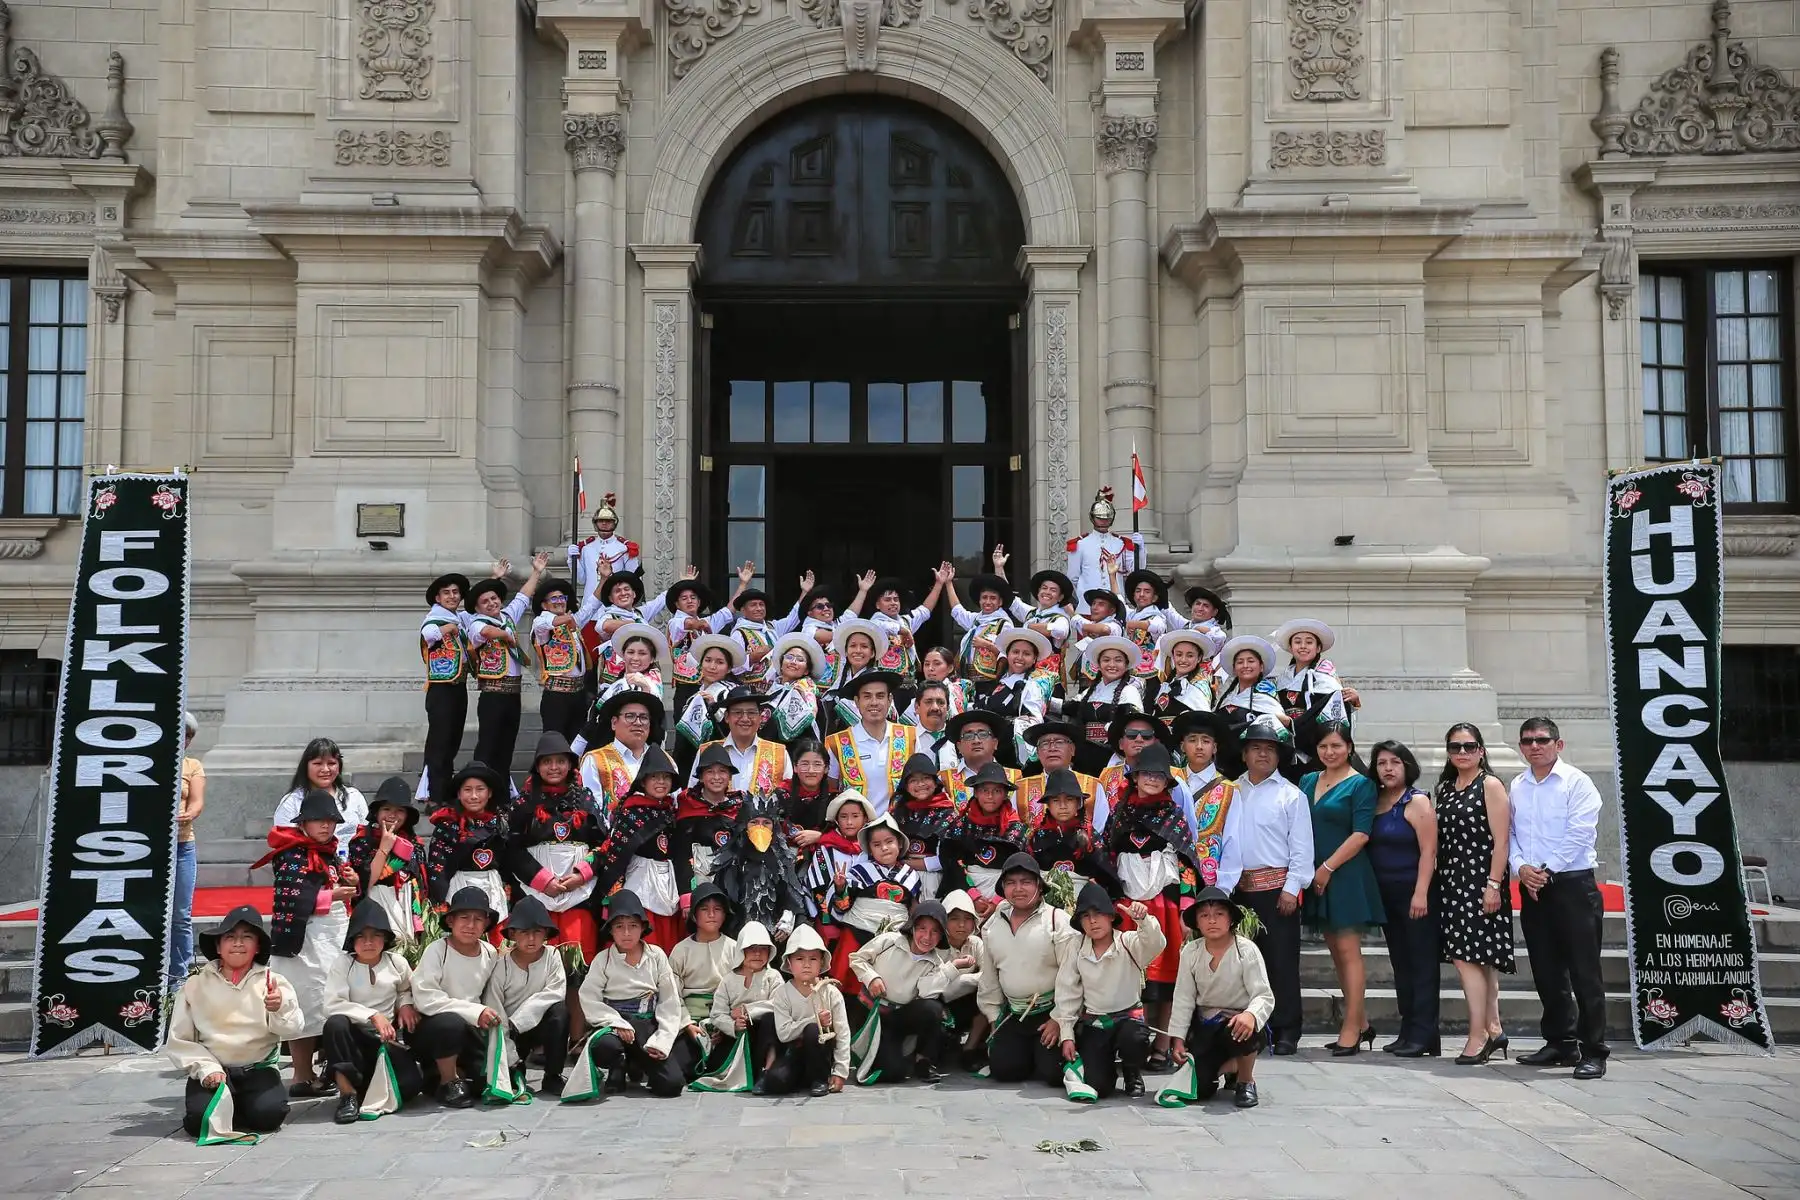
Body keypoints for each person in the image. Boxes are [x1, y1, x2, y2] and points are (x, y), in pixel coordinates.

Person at [1509, 717, 1609, 1079]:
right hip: (1532, 887)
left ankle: (1594, 1050)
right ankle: (1560, 1041)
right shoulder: (1517, 785)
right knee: (1546, 971)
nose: (1535, 746)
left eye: (1542, 740)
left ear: (1558, 744)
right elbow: (1511, 835)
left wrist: (1545, 870)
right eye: (1527, 741)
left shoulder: (1577, 783)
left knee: (1584, 973)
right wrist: (1521, 868)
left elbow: (1580, 834)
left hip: (1572, 885)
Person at [1215, 717, 1312, 1055]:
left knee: (1281, 962)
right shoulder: (1229, 791)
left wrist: (1292, 887)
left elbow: (1301, 847)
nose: (1262, 755)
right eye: (1255, 748)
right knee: (1241, 962)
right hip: (1236, 889)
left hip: (1275, 889)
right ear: (1244, 754)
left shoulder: (1291, 796)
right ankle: (1248, 1026)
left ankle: (1287, 1028)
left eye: (1270, 749)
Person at [167, 908, 305, 1141]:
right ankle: (228, 1104)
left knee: (270, 1116)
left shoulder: (273, 981)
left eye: (247, 937)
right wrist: (207, 1068)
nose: (238, 944)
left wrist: (279, 1007)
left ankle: (239, 1108)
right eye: (230, 937)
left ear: (258, 947)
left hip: (257, 1069)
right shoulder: (195, 985)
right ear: (218, 947)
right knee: (198, 1122)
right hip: (214, 1071)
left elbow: (292, 1029)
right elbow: (179, 1040)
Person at [1100, 742, 1198, 1064]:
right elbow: (1107, 857)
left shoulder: (1173, 815)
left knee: (1165, 980)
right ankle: (1128, 1044)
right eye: (1146, 774)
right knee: (1128, 979)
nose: (1152, 780)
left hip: (1164, 908)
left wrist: (1185, 909)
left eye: (1159, 775)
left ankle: (1161, 1046)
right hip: (1128, 908)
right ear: (1135, 777)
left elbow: (1186, 864)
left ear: (1168, 781)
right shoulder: (1119, 813)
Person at [255, 788, 357, 1096]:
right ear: (303, 824)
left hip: (331, 937)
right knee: (301, 1005)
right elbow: (289, 898)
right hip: (302, 941)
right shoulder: (291, 854)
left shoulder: (328, 853)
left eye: (330, 821)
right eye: (318, 821)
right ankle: (301, 1074)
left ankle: (330, 1070)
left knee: (330, 1003)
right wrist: (332, 894)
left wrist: (349, 881)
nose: (325, 826)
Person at [1300, 720, 1386, 1054]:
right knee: (1335, 951)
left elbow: (1361, 833)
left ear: (1349, 747)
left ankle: (1351, 1028)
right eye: (1323, 746)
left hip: (1346, 874)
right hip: (1316, 874)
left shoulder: (1361, 784)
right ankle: (1362, 1022)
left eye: (1336, 745)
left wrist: (1328, 867)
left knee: (1349, 952)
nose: (1330, 752)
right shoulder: (1308, 780)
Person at [1435, 722, 1514, 1065]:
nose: (1462, 753)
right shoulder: (1445, 788)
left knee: (1468, 960)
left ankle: (1477, 1034)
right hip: (1453, 882)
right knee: (1479, 964)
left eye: (1469, 746)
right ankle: (1494, 1029)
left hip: (1482, 883)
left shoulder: (1491, 785)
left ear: (1481, 750)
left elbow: (1502, 842)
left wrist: (1493, 885)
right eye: (1455, 747)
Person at [571, 890, 694, 1098]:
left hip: (647, 1025)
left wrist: (662, 1039)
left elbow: (669, 1000)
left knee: (672, 1085)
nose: (626, 933)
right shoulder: (603, 959)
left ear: (643, 927)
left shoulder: (656, 956)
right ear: (610, 930)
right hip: (616, 1026)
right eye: (619, 926)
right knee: (604, 1046)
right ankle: (617, 1063)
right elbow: (589, 998)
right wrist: (616, 1022)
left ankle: (637, 1062)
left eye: (633, 926)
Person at [1165, 887, 1273, 1109]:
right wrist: (1177, 1038)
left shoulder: (1246, 950)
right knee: (1200, 1089)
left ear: (1230, 919)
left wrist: (1251, 1015)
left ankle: (1246, 1081)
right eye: (1204, 915)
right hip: (1206, 1025)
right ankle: (1231, 1067)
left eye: (1219, 914)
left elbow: (1263, 994)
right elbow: (1183, 997)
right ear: (1196, 921)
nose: (1211, 921)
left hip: (1237, 1023)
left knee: (1242, 1031)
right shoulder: (1191, 952)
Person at [1054, 884, 1163, 1100]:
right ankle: (1107, 1067)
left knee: (1136, 1039)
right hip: (1096, 1022)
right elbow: (1067, 992)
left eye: (1098, 914)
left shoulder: (1128, 941)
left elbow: (1156, 943)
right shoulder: (1076, 947)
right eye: (1086, 916)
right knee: (1099, 1086)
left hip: (1128, 1019)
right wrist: (1066, 1035)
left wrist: (1144, 920)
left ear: (1111, 916)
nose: (1092, 921)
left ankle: (1132, 1070)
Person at [1367, 739, 1440, 1056]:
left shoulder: (1418, 802)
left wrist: (1421, 893)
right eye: (1382, 763)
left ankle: (1424, 1033)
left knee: (1422, 964)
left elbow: (1429, 852)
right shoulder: (1377, 800)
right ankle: (1408, 1029)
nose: (1388, 769)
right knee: (1401, 964)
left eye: (1395, 762)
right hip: (1386, 895)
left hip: (1416, 893)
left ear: (1407, 766)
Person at [507, 731, 608, 959]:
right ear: (537, 766)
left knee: (579, 957)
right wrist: (544, 880)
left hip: (580, 892)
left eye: (561, 761)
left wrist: (581, 875)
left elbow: (603, 845)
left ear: (570, 765)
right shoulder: (523, 803)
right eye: (547, 762)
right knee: (539, 958)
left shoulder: (585, 799)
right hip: (534, 891)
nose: (554, 767)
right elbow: (511, 848)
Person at [321, 901, 424, 1123]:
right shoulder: (342, 964)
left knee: (411, 1086)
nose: (368, 942)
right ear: (352, 940)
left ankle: (369, 1086)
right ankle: (347, 1094)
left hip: (385, 1042)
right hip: (354, 1040)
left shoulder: (396, 962)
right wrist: (371, 1015)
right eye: (361, 936)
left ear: (385, 938)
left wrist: (405, 1004)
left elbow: (407, 989)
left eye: (375, 935)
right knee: (335, 1024)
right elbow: (332, 1003)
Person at [976, 853, 1073, 1085]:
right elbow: (989, 978)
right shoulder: (993, 924)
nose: (1018, 889)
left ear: (1039, 886)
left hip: (1049, 1013)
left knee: (1053, 1074)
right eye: (1011, 883)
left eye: (1026, 882)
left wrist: (1059, 1019)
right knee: (1004, 1071)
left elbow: (1071, 976)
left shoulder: (1057, 921)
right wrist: (993, 1020)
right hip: (1014, 1014)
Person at [410, 886, 503, 1108]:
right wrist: (473, 1012)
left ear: (486, 924)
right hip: (435, 1028)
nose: (471, 925)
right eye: (464, 917)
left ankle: (444, 1075)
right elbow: (426, 998)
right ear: (450, 921)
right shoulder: (437, 950)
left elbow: (490, 992)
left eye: (478, 919)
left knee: (485, 1085)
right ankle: (448, 1081)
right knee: (450, 1022)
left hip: (472, 1029)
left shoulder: (489, 952)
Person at [848, 899, 958, 1084]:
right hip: (873, 1014)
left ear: (941, 937)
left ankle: (923, 1060)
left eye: (934, 932)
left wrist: (952, 968)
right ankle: (883, 1056)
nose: (927, 937)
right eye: (922, 928)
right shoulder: (889, 941)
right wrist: (871, 978)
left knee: (933, 1009)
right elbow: (857, 959)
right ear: (912, 927)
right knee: (894, 1073)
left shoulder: (935, 962)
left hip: (900, 1016)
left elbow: (926, 992)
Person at [591, 743, 686, 953]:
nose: (661, 782)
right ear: (643, 781)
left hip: (668, 883)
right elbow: (616, 854)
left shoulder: (672, 811)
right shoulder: (631, 812)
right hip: (639, 883)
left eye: (666, 777)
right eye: (655, 777)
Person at [466, 553, 550, 779]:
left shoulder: (507, 615)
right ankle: (480, 786)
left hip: (513, 693)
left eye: (494, 598)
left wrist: (536, 572)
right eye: (486, 601)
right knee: (488, 747)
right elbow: (486, 632)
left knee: (506, 747)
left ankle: (501, 792)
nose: (492, 603)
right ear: (478, 607)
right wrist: (505, 635)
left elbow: (523, 596)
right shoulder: (476, 623)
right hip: (492, 695)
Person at [482, 896, 571, 1096]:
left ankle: (553, 1075)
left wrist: (521, 1019)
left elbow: (555, 992)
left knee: (560, 1012)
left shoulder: (552, 956)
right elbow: (495, 1010)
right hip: (511, 1032)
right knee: (510, 1076)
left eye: (537, 932)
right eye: (524, 932)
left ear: (546, 933)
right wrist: (510, 1050)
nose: (531, 939)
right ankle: (516, 1068)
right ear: (513, 934)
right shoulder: (501, 965)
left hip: (538, 1023)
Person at [824, 814, 922, 989]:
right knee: (843, 978)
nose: (884, 848)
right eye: (877, 844)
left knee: (885, 984)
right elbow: (843, 906)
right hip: (857, 929)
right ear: (870, 849)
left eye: (889, 842)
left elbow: (914, 907)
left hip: (892, 937)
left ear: (899, 843)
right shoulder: (859, 871)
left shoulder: (911, 875)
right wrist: (840, 887)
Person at [760, 923, 850, 1096]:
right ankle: (799, 1077)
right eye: (800, 959)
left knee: (813, 1031)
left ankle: (819, 1079)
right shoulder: (783, 993)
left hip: (822, 1054)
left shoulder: (831, 993)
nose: (806, 965)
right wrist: (814, 1019)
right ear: (789, 962)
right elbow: (784, 1033)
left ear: (822, 962)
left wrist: (840, 1072)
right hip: (794, 1052)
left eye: (813, 959)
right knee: (775, 1083)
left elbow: (843, 1033)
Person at [713, 790, 811, 940]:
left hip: (774, 935)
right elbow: (721, 896)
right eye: (754, 822)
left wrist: (788, 915)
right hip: (736, 934)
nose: (760, 827)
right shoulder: (731, 858)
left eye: (766, 823)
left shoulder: (783, 857)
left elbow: (792, 894)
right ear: (744, 825)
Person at [423, 761, 511, 921]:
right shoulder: (447, 825)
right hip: (458, 889)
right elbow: (438, 868)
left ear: (490, 793)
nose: (474, 796)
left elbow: (508, 863)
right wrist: (441, 903)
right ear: (459, 793)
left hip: (493, 889)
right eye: (467, 790)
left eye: (480, 789)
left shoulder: (501, 824)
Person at [1272, 618, 1359, 775]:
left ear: (1318, 648)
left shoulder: (1326, 679)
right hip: (1287, 746)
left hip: (1315, 746)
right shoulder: (1281, 680)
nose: (1303, 646)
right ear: (1290, 648)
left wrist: (1352, 700)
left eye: (1309, 642)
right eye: (1298, 642)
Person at [347, 777, 425, 952]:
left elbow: (420, 882)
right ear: (376, 812)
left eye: (399, 810)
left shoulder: (414, 844)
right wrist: (384, 848)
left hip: (406, 904)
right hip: (374, 905)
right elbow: (365, 883)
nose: (392, 815)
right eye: (386, 809)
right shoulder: (362, 842)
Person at [702, 920, 786, 1083]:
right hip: (736, 1036)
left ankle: (766, 1070)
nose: (758, 954)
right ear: (741, 951)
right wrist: (733, 1025)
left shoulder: (773, 976)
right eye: (752, 949)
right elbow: (717, 1014)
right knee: (716, 1067)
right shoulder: (728, 980)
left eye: (763, 949)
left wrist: (747, 1011)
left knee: (770, 1019)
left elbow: (779, 1004)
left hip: (765, 1036)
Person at [419, 567, 475, 808]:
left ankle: (442, 789)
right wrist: (446, 630)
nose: (452, 596)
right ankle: (435, 793)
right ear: (437, 598)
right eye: (447, 593)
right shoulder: (436, 617)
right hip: (441, 689)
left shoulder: (457, 617)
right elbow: (427, 634)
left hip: (458, 686)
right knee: (440, 740)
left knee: (452, 739)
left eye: (455, 592)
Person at [940, 763, 1030, 911]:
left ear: (1005, 794)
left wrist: (997, 900)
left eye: (996, 791)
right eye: (984, 790)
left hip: (1005, 895)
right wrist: (973, 895)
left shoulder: (1015, 828)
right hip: (965, 891)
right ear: (975, 792)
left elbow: (1019, 866)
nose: (990, 796)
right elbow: (950, 860)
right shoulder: (962, 825)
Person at [824, 670, 917, 815]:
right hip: (856, 833)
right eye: (867, 696)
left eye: (880, 696)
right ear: (857, 702)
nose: (874, 702)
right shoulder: (837, 743)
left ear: (890, 699)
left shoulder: (910, 736)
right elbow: (831, 790)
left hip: (899, 831)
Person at [1172, 709, 1238, 888]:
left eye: (1206, 741)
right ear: (1182, 746)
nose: (1199, 746)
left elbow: (1232, 841)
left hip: (1208, 878)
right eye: (1192, 740)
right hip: (1168, 875)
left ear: (1215, 747)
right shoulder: (1169, 779)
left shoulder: (1229, 789)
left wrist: (1224, 887)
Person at [671, 882, 738, 1053]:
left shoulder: (734, 948)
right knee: (673, 1077)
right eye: (704, 909)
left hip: (725, 1021)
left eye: (717, 909)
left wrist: (726, 1024)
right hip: (689, 1021)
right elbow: (671, 993)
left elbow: (741, 990)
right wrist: (687, 1024)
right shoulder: (681, 950)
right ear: (694, 915)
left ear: (724, 915)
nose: (711, 914)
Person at [273, 737, 368, 856]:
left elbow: (367, 836)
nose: (325, 769)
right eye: (318, 763)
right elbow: (284, 843)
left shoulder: (354, 797)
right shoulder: (292, 801)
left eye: (332, 763)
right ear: (305, 766)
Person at [850, 566, 951, 678]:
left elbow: (925, 611)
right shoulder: (874, 624)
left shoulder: (905, 621)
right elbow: (883, 627)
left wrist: (939, 584)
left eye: (896, 599)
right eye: (887, 600)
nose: (893, 603)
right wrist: (905, 632)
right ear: (877, 605)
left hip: (909, 684)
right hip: (884, 684)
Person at [691, 685, 793, 792]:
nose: (745, 719)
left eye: (751, 713)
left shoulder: (778, 753)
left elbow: (789, 796)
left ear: (760, 717)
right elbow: (692, 796)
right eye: (737, 713)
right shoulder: (707, 751)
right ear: (726, 717)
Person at [1065, 637, 1144, 774]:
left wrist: (1112, 729)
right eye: (1106, 660)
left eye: (1118, 660)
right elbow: (1069, 707)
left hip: (1112, 756)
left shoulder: (1129, 691)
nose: (1111, 665)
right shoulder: (1091, 691)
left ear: (1126, 665)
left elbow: (1132, 725)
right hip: (1084, 756)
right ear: (1099, 664)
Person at [1028, 768, 1115, 891]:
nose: (1063, 806)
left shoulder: (1089, 835)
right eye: (1056, 800)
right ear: (1048, 804)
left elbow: (1105, 872)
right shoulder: (1036, 838)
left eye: (1069, 800)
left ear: (1078, 803)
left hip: (1084, 897)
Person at [673, 743, 743, 897]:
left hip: (734, 887)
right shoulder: (687, 805)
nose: (716, 777)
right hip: (697, 886)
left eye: (722, 771)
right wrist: (686, 894)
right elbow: (681, 855)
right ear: (701, 777)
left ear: (730, 776)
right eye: (710, 772)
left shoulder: (740, 808)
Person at [976, 628, 1052, 767]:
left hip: (1012, 753)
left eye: (1026, 654)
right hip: (988, 750)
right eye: (1015, 652)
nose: (1020, 657)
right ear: (1008, 654)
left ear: (1034, 658)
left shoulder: (1033, 685)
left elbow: (1034, 721)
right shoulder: (998, 682)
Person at [576, 688, 663, 808]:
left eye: (644, 717)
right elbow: (590, 809)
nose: (638, 722)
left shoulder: (663, 760)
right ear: (614, 722)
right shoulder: (596, 760)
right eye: (630, 716)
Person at [891, 751, 959, 898]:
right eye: (913, 780)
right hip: (899, 877)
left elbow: (948, 858)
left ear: (935, 782)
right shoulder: (898, 812)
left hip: (934, 879)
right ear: (906, 785)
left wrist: (910, 864)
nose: (920, 784)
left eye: (926, 778)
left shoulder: (947, 814)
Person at [531, 575, 590, 740]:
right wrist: (569, 618)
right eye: (554, 598)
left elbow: (592, 605)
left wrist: (604, 579)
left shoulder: (573, 623)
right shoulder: (541, 623)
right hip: (557, 695)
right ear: (544, 604)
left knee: (576, 744)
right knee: (554, 743)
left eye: (562, 597)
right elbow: (545, 623)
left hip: (579, 692)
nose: (559, 601)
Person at [674, 633, 743, 774]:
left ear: (729, 668)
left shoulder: (731, 693)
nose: (712, 666)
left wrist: (714, 708)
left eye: (720, 662)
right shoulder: (692, 696)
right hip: (690, 761)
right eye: (708, 660)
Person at [171, 711, 205, 992]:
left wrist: (189, 814)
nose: (182, 740)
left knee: (181, 914)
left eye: (186, 736)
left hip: (182, 844)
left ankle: (178, 977)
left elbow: (197, 801)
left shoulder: (192, 765)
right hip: (149, 848)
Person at [1065, 487, 1139, 614]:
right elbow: (1073, 576)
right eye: (1100, 518)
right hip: (1088, 608)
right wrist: (1085, 593)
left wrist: (1141, 550)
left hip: (1114, 606)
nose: (1104, 521)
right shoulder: (1081, 544)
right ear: (1092, 518)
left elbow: (1134, 570)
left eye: (1107, 519)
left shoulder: (1121, 543)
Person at [721, 564, 803, 677]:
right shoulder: (739, 634)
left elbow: (793, 618)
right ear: (743, 610)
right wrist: (752, 658)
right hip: (751, 691)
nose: (759, 608)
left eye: (761, 605)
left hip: (775, 686)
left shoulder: (772, 627)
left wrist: (804, 593)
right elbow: (732, 667)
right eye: (753, 605)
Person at [569, 492, 641, 618]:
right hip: (590, 609)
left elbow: (633, 578)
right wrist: (571, 559)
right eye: (601, 521)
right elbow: (581, 579)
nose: (604, 524)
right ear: (595, 523)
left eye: (608, 521)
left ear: (614, 523)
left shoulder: (624, 547)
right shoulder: (586, 548)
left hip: (616, 609)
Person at [1015, 721, 1102, 825]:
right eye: (1045, 743)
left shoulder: (1094, 786)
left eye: (1059, 742)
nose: (1052, 748)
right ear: (1037, 753)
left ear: (1072, 749)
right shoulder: (1021, 788)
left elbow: (1101, 827)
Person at [1007, 567, 1076, 684]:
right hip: (1026, 677)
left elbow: (1060, 631)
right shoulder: (1032, 614)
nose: (1047, 592)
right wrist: (999, 568)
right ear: (1038, 592)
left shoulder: (1060, 618)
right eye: (1044, 588)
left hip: (1047, 682)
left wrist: (1030, 627)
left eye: (1053, 590)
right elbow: (1012, 601)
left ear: (1060, 597)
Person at [939, 710, 1021, 806]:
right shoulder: (944, 779)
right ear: (959, 747)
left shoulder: (1016, 778)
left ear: (995, 743)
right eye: (968, 736)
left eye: (983, 734)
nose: (976, 740)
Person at [946, 571, 1016, 684]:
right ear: (979, 600)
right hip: (967, 680)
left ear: (1000, 602)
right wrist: (948, 583)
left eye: (993, 598)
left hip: (990, 681)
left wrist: (987, 645)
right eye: (984, 597)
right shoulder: (975, 620)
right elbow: (957, 611)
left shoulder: (1004, 624)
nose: (987, 602)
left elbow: (1010, 654)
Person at [1216, 635, 1288, 736]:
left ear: (1261, 667)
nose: (1245, 665)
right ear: (1234, 669)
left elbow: (1284, 722)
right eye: (1240, 662)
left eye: (1251, 661)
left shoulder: (1266, 696)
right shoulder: (1227, 698)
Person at [1150, 628, 1223, 724]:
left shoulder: (1199, 687)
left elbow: (1204, 723)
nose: (1183, 660)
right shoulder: (1166, 685)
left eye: (1190, 656)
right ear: (1173, 656)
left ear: (1199, 658)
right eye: (1179, 654)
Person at [764, 632, 826, 744]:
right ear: (781, 664)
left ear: (806, 670)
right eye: (789, 657)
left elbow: (810, 720)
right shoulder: (772, 690)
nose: (793, 662)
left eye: (800, 659)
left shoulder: (806, 691)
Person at [825, 618, 888, 727]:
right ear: (846, 651)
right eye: (853, 646)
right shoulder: (838, 678)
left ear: (872, 653)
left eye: (864, 646)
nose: (858, 650)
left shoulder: (878, 680)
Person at [779, 738, 834, 846]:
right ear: (795, 767)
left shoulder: (835, 799)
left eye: (817, 764)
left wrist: (820, 837)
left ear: (826, 768)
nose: (811, 770)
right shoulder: (781, 794)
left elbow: (847, 835)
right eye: (805, 764)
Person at [1120, 569, 1169, 681]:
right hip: (1130, 670)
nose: (1141, 594)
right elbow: (1119, 601)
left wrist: (1134, 624)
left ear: (1154, 598)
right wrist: (1112, 575)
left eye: (1147, 591)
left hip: (1150, 674)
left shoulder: (1157, 616)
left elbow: (1157, 627)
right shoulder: (1131, 615)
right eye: (1138, 591)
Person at [908, 680, 957, 767]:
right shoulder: (906, 739)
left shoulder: (958, 739)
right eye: (928, 702)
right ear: (916, 707)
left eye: (941, 702)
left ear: (948, 708)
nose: (935, 707)